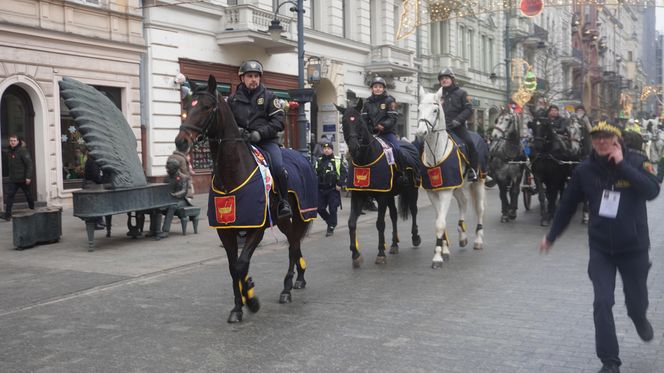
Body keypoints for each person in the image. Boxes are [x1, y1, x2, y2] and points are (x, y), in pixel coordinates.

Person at [539, 120, 659, 373]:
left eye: (606, 137)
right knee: (602, 302)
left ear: (617, 139)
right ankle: (610, 361)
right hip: (601, 247)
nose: (601, 141)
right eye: (596, 138)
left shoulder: (636, 161)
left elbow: (652, 190)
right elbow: (568, 205)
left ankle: (639, 319)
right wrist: (551, 236)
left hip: (633, 247)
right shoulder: (584, 170)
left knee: (636, 303)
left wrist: (622, 165)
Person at [228, 59, 291, 219]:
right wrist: (239, 131)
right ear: (242, 78)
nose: (254, 79)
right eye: (250, 76)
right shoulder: (232, 100)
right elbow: (229, 123)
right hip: (242, 143)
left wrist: (260, 133)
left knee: (278, 167)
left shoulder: (270, 97)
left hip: (266, 142)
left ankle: (284, 202)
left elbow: (279, 121)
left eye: (256, 76)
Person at [361, 76, 408, 185]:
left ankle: (402, 174)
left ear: (383, 88)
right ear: (372, 89)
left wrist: (383, 125)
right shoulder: (366, 103)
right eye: (375, 87)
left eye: (380, 87)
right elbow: (364, 120)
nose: (378, 89)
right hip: (372, 135)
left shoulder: (390, 100)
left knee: (397, 149)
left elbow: (393, 118)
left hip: (387, 133)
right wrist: (369, 129)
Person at [438, 68, 479, 181]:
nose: (444, 80)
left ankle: (473, 170)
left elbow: (468, 109)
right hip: (440, 128)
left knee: (470, 143)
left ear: (452, 79)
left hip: (457, 127)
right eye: (442, 79)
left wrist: (458, 120)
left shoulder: (462, 93)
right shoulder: (438, 95)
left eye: (446, 78)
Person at [315, 142, 347, 236]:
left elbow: (343, 173)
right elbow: (315, 173)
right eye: (325, 148)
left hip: (333, 189)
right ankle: (330, 221)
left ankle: (331, 228)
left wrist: (339, 184)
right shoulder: (319, 160)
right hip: (321, 189)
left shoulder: (337, 160)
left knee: (333, 209)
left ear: (332, 150)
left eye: (328, 148)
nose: (326, 150)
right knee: (320, 208)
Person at [1, 135, 34, 221]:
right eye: (11, 140)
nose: (12, 142)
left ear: (18, 141)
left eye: (14, 140)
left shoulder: (22, 151)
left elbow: (29, 164)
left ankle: (33, 209)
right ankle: (8, 215)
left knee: (28, 195)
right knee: (10, 196)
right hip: (13, 179)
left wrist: (28, 177)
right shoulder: (9, 151)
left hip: (23, 179)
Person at [83, 154, 106, 230]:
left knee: (95, 204)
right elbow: (95, 175)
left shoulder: (91, 160)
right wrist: (101, 180)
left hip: (90, 184)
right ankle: (96, 223)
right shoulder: (93, 161)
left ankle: (98, 221)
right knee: (96, 204)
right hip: (92, 185)